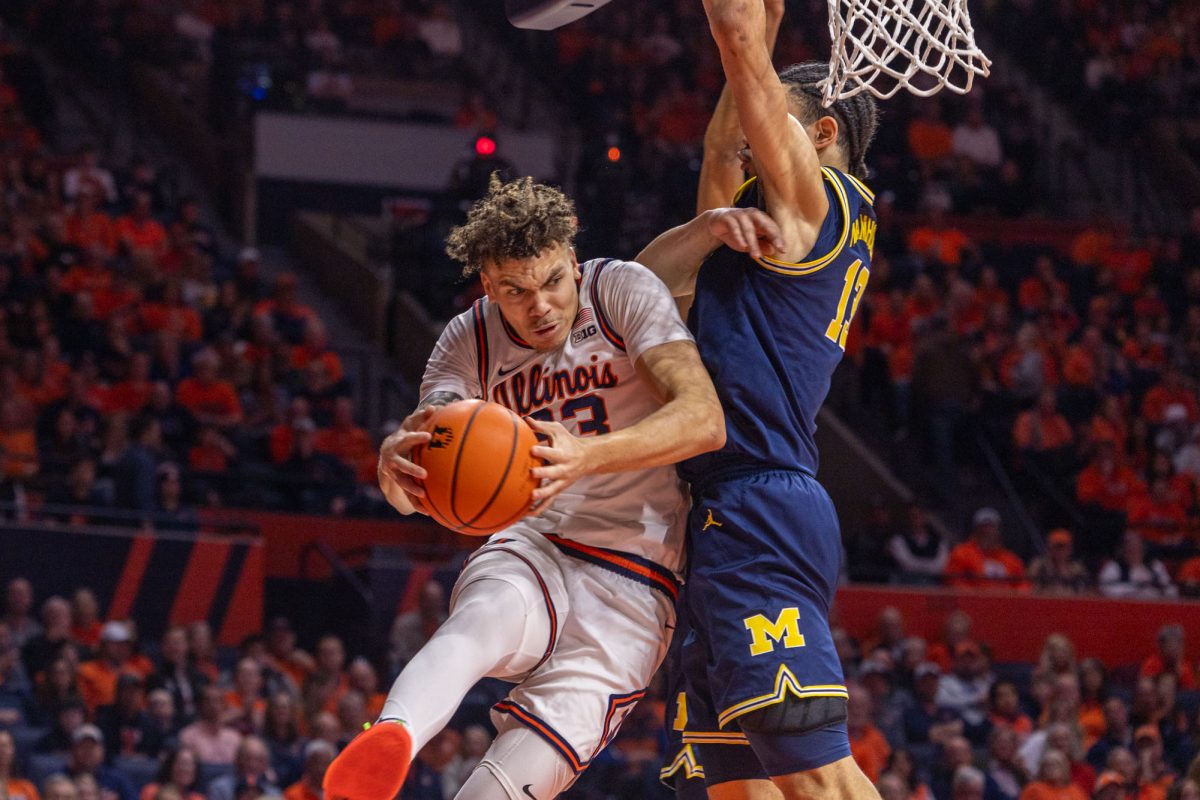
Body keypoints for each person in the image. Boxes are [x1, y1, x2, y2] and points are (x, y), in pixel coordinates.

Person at [323, 175, 728, 800]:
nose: (538, 306)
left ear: (573, 259)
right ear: (487, 286)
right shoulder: (467, 340)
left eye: (551, 282)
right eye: (514, 290)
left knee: (506, 785)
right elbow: (421, 472)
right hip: (537, 542)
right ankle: (394, 731)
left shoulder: (619, 289)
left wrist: (586, 456)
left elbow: (704, 419)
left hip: (638, 576)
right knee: (485, 618)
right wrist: (395, 470)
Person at [630, 0, 882, 789]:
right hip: (716, 515)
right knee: (738, 785)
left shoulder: (820, 209)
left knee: (818, 777)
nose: (748, 141)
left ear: (823, 134)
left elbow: (735, 41)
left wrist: (748, 27)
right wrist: (769, 18)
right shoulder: (747, 221)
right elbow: (717, 145)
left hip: (757, 508)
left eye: (767, 124)